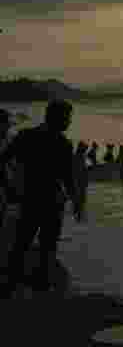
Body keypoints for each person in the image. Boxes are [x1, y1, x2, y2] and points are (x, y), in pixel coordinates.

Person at [0, 100, 83, 296]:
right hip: (52, 203)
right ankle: (40, 286)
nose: (69, 122)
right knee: (46, 247)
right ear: (58, 118)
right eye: (67, 118)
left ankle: (11, 284)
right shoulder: (63, 144)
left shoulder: (26, 136)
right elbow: (68, 179)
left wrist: (9, 186)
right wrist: (78, 203)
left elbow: (4, 159)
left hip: (30, 198)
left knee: (22, 243)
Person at [72, 141, 89, 218]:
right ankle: (78, 212)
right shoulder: (79, 157)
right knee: (80, 198)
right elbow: (82, 169)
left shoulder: (79, 156)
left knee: (80, 199)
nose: (85, 150)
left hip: (79, 180)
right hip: (79, 180)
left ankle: (78, 212)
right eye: (84, 148)